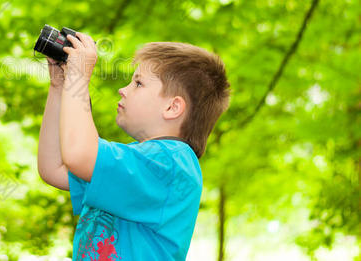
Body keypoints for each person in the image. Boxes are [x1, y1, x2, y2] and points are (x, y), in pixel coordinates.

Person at [37, 32, 230, 260]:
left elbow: (79, 154)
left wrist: (78, 79)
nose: (123, 89)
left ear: (172, 108)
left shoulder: (169, 164)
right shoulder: (137, 160)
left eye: (138, 83)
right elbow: (53, 168)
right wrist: (59, 85)